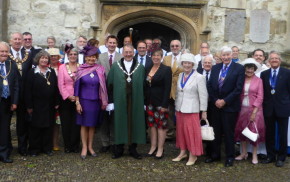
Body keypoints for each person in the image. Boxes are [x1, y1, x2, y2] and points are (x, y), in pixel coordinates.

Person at [206, 46, 245, 167]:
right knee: (216, 132)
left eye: (228, 55)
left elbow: (238, 89)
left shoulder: (239, 68)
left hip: (230, 106)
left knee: (228, 133)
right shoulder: (216, 67)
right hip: (215, 106)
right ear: (221, 56)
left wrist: (225, 101)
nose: (226, 57)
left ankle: (229, 157)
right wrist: (216, 100)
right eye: (224, 55)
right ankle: (215, 155)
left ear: (232, 55)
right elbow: (210, 85)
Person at [107, 45, 146, 159]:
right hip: (120, 100)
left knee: (135, 123)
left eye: (130, 52)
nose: (128, 54)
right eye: (126, 52)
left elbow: (144, 86)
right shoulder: (115, 66)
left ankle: (133, 148)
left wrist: (144, 102)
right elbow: (110, 84)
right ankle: (119, 149)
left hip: (136, 101)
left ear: (134, 53)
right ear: (122, 53)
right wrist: (111, 102)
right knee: (120, 122)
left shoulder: (140, 67)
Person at [173, 53, 208, 166]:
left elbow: (203, 95)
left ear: (193, 64)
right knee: (181, 132)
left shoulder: (199, 77)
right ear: (182, 63)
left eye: (189, 63)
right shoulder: (180, 75)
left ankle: (193, 154)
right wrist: (176, 107)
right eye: (184, 63)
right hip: (180, 108)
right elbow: (179, 92)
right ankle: (183, 152)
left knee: (192, 133)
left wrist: (204, 111)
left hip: (192, 109)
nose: (186, 65)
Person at [75, 45, 108, 159]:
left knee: (92, 125)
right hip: (84, 101)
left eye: (93, 57)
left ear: (96, 58)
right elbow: (77, 88)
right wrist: (77, 103)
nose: (91, 59)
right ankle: (84, 147)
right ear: (85, 57)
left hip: (96, 101)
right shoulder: (80, 70)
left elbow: (103, 86)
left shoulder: (100, 69)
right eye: (89, 57)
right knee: (84, 125)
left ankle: (90, 147)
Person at [25, 50, 59, 157]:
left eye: (46, 58)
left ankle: (47, 148)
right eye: (42, 58)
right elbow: (27, 90)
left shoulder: (51, 72)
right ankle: (34, 149)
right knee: (36, 127)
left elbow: (56, 88)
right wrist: (29, 106)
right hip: (36, 105)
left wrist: (57, 102)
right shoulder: (32, 72)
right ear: (38, 59)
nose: (44, 60)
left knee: (48, 127)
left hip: (49, 105)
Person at [260, 51, 290, 167]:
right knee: (269, 134)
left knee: (283, 134)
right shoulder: (264, 74)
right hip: (268, 108)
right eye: (272, 58)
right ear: (269, 61)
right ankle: (270, 156)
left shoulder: (287, 73)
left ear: (280, 60)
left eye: (276, 58)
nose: (274, 60)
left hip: (283, 108)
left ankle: (281, 157)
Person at [234, 58, 265, 164]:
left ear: (255, 69)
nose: (249, 70)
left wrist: (254, 112)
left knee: (253, 132)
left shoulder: (259, 80)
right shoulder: (241, 79)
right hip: (242, 109)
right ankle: (243, 153)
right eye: (247, 68)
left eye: (251, 68)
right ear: (245, 69)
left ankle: (254, 155)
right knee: (242, 131)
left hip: (254, 110)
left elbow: (260, 97)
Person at [97, 35, 123, 153]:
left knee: (114, 117)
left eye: (114, 43)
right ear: (106, 43)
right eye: (110, 42)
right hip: (103, 90)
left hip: (116, 91)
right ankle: (105, 142)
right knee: (104, 118)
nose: (112, 45)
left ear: (117, 44)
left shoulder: (121, 57)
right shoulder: (100, 57)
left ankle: (113, 141)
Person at [145, 48, 172, 159]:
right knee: (152, 125)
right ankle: (153, 146)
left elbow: (167, 88)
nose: (156, 57)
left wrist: (165, 105)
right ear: (151, 56)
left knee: (161, 126)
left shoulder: (166, 69)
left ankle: (160, 149)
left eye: (158, 55)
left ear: (162, 57)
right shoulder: (148, 68)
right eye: (154, 55)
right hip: (150, 101)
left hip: (161, 102)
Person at [9, 32, 32, 156]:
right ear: (11, 40)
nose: (18, 41)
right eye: (15, 39)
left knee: (22, 123)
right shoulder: (5, 54)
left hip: (23, 95)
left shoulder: (27, 55)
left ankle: (22, 147)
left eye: (19, 39)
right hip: (9, 94)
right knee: (5, 121)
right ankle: (6, 147)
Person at [58, 48, 80, 153]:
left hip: (78, 99)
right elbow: (60, 84)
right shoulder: (62, 67)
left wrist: (77, 96)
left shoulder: (81, 67)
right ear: (68, 55)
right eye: (71, 54)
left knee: (76, 123)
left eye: (75, 54)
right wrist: (68, 96)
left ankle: (75, 145)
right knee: (66, 123)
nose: (73, 56)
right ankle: (67, 145)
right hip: (66, 99)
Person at [0, 42, 19, 163]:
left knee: (4, 128)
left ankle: (4, 154)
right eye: (1, 51)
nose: (4, 54)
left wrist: (15, 101)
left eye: (6, 51)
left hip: (7, 102)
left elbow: (17, 85)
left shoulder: (11, 64)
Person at [162, 40, 183, 139]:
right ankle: (170, 133)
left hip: (181, 89)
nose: (175, 47)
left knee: (181, 112)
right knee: (169, 112)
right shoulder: (166, 59)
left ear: (180, 47)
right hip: (169, 89)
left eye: (177, 46)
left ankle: (181, 134)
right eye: (172, 46)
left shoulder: (185, 58)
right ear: (170, 47)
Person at [197, 55, 215, 158]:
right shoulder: (198, 72)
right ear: (202, 64)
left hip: (212, 105)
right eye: (205, 62)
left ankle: (210, 151)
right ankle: (199, 149)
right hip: (199, 105)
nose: (207, 64)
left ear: (212, 64)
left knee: (210, 127)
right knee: (199, 127)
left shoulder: (216, 73)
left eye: (209, 62)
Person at [47, 48, 62, 152]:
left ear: (58, 57)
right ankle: (47, 142)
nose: (53, 58)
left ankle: (55, 142)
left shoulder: (62, 67)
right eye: (51, 56)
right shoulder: (45, 67)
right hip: (48, 98)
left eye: (55, 56)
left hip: (60, 97)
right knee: (48, 121)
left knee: (57, 122)